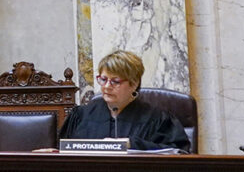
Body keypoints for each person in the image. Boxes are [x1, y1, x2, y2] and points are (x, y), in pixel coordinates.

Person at [56, 50, 191, 152]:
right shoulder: (81, 116)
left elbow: (178, 153)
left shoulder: (157, 119)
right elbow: (61, 151)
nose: (107, 86)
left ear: (133, 84)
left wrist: (131, 144)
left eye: (115, 81)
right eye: (103, 79)